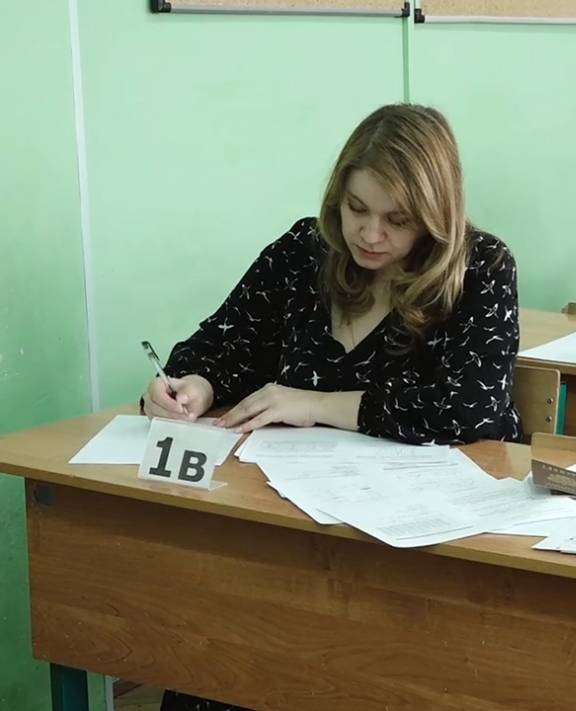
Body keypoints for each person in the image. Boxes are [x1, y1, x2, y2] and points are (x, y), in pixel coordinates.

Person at [144, 103, 522, 710]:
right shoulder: (305, 250)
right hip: (294, 526)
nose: (370, 235)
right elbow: (219, 343)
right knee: (217, 649)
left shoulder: (481, 267)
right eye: (356, 209)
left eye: (397, 220)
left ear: (436, 216)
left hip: (424, 548)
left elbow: (466, 409)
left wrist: (316, 404)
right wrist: (195, 385)